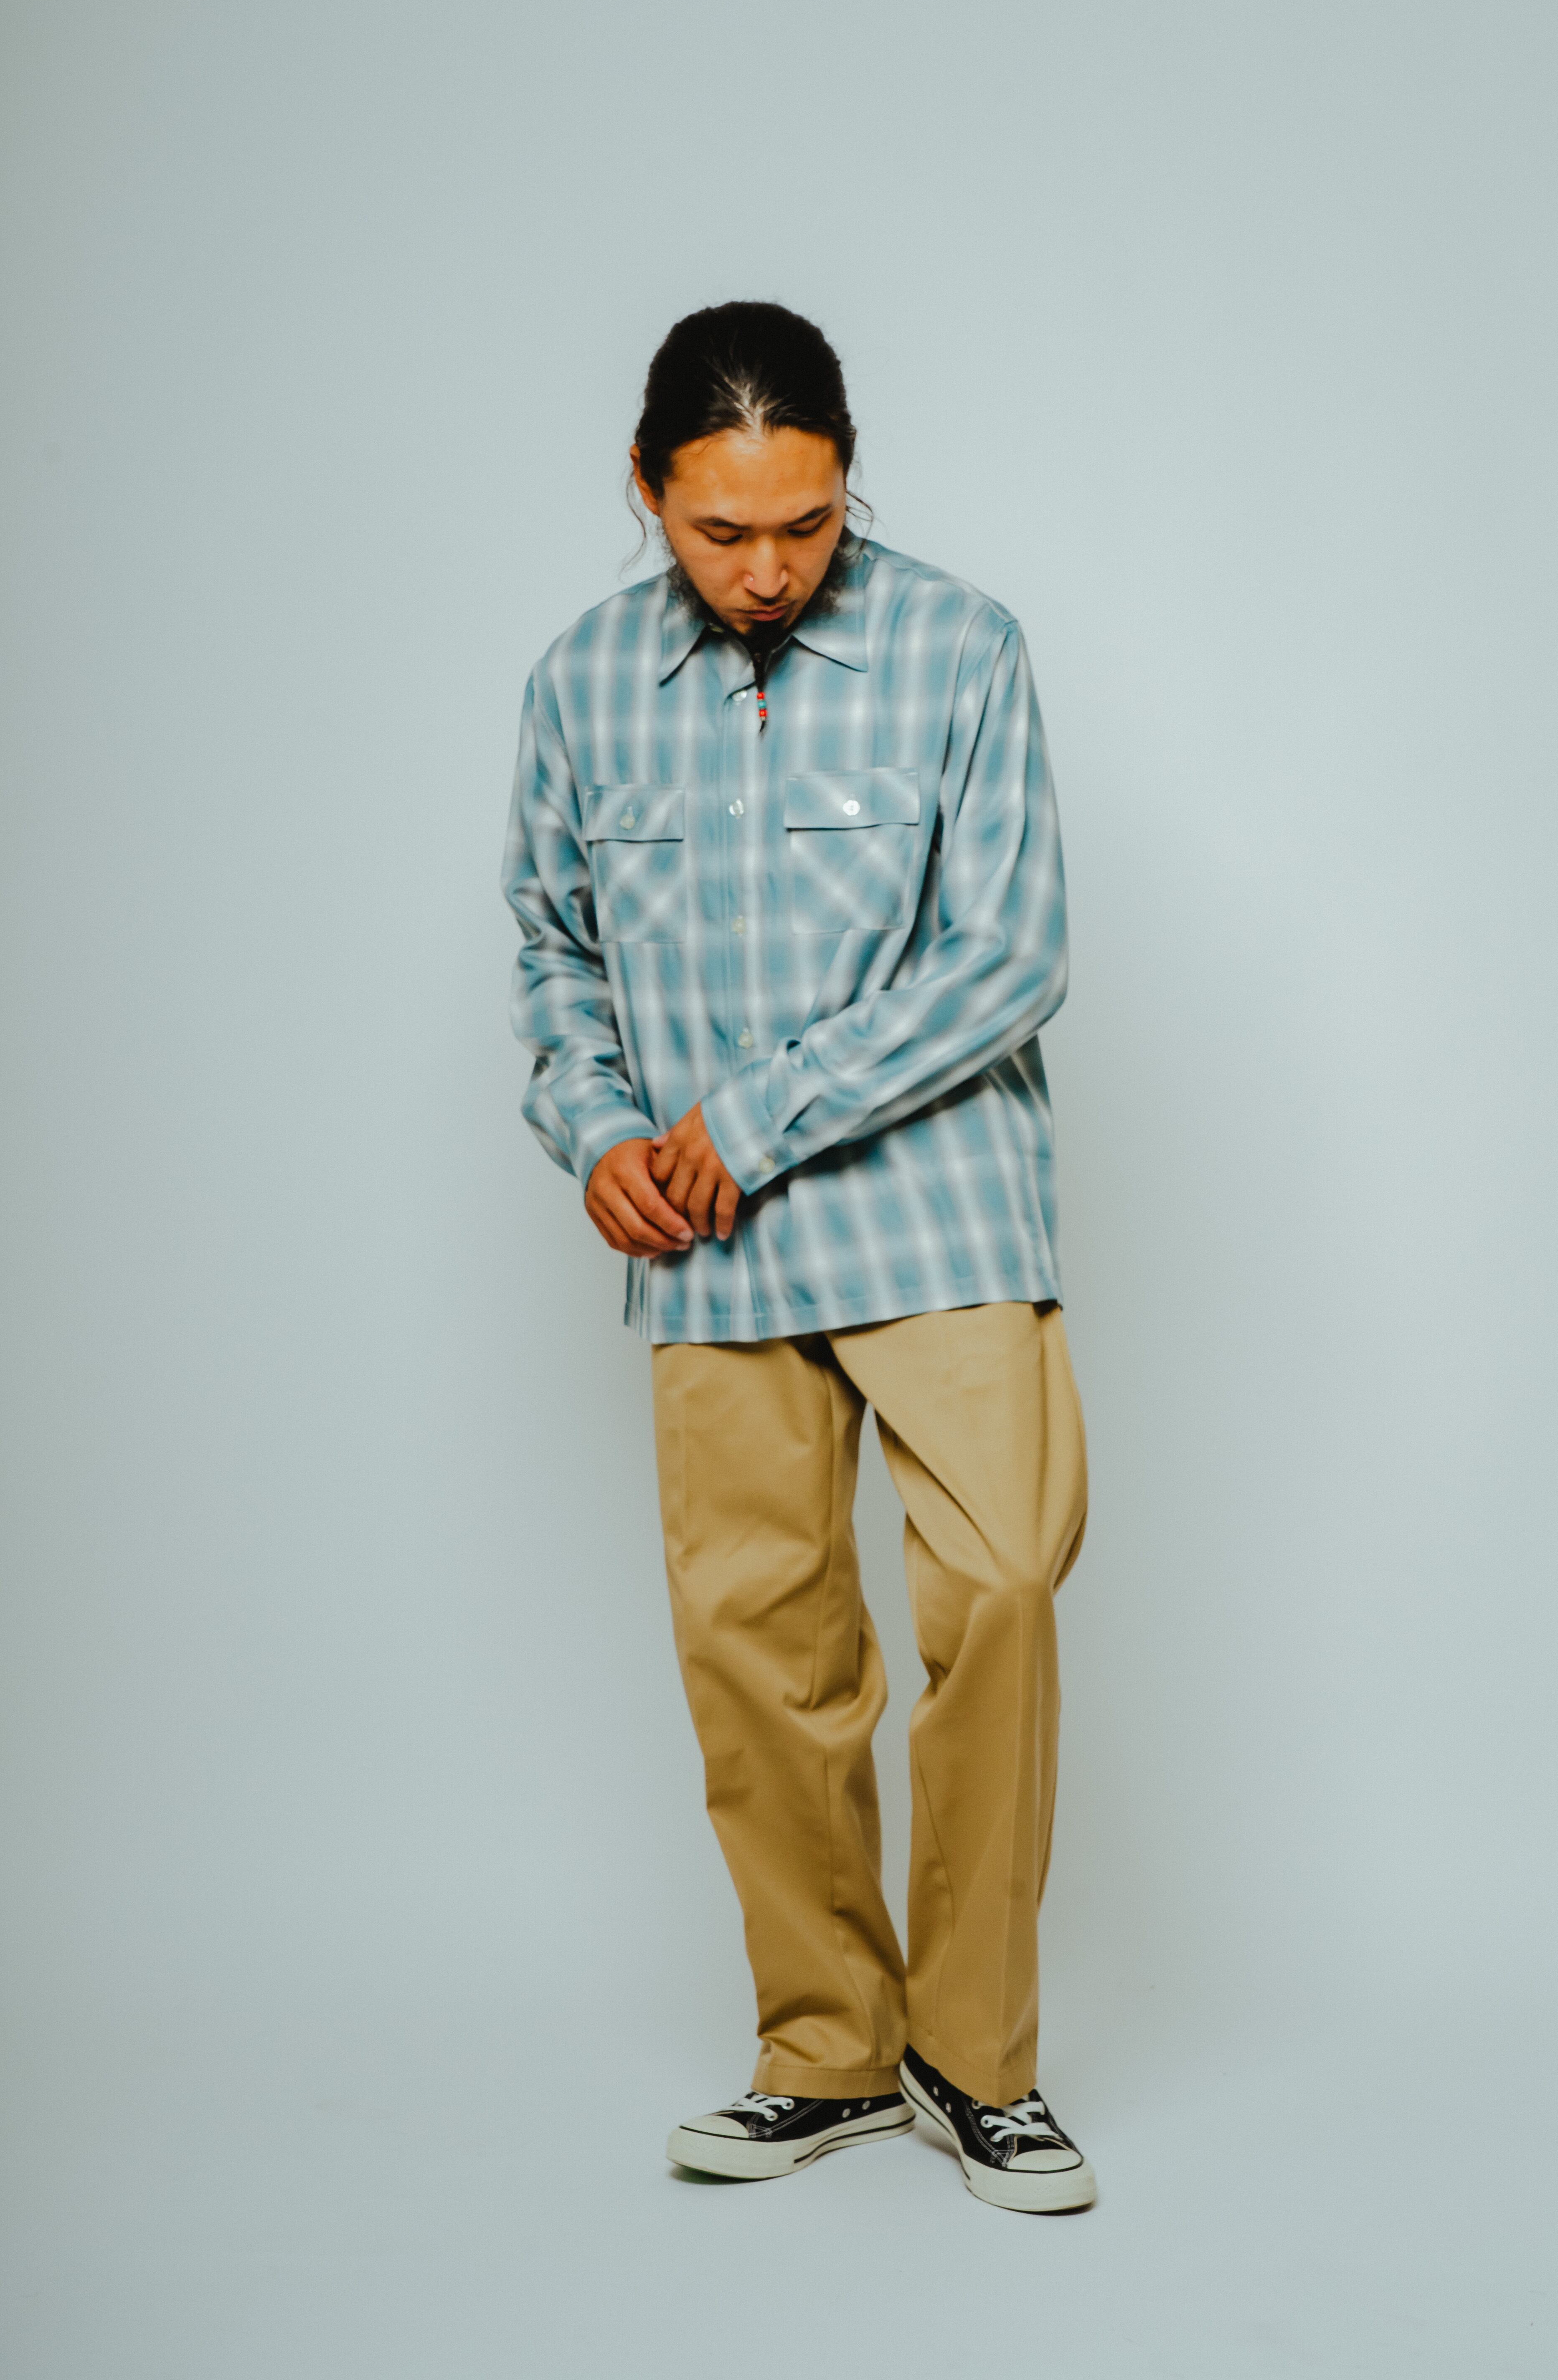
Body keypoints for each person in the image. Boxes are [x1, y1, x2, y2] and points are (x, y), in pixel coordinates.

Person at [502, 302, 1094, 2213]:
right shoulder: (581, 681)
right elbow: (552, 948)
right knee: (758, 1653)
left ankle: (977, 2062)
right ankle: (826, 2052)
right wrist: (596, 1128)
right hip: (706, 1248)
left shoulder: (961, 646)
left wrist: (750, 1116)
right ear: (645, 490)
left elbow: (1010, 955)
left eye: (808, 524)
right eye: (722, 532)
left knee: (1004, 1588)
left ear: (850, 481)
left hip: (936, 1213)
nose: (767, 570)